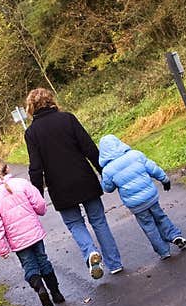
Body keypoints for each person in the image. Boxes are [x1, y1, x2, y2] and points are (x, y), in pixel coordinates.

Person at [23, 87, 123, 279]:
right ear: (51, 101)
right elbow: (89, 148)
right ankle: (114, 263)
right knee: (99, 221)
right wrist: (104, 172)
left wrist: (37, 197)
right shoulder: (68, 118)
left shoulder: (31, 133)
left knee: (75, 224)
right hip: (84, 179)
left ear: (31, 107)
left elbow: (36, 167)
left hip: (59, 187)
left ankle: (90, 252)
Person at [0, 156, 64, 306]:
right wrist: (40, 211)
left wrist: (1, 249)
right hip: (34, 233)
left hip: (18, 241)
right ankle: (56, 293)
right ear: (7, 168)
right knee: (43, 260)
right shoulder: (22, 184)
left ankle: (40, 288)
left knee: (29, 266)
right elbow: (39, 204)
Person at [98, 134, 186, 260]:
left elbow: (108, 188)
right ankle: (174, 235)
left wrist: (105, 179)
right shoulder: (135, 155)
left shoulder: (108, 170)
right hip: (150, 197)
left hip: (136, 205)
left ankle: (163, 251)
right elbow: (153, 169)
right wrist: (164, 179)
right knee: (161, 217)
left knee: (149, 226)